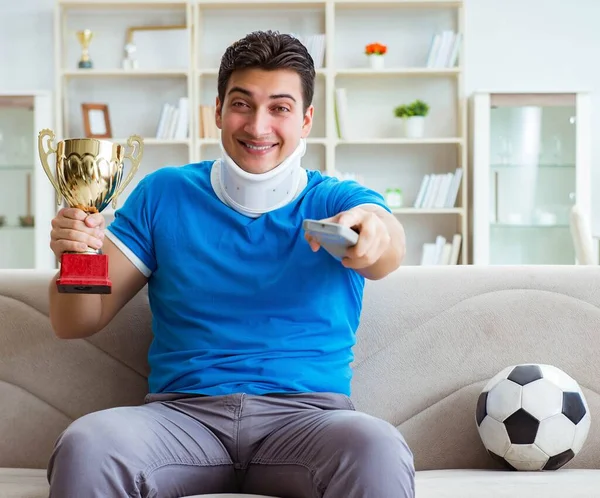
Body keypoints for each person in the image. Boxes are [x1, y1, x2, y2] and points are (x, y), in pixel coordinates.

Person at [46, 30, 414, 498]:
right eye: (242, 104)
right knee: (88, 443)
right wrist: (78, 256)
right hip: (181, 419)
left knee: (378, 446)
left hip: (309, 422)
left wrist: (374, 233)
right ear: (217, 110)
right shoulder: (166, 194)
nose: (258, 126)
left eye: (279, 108)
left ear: (305, 120)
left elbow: (387, 248)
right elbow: (76, 321)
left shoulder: (338, 199)